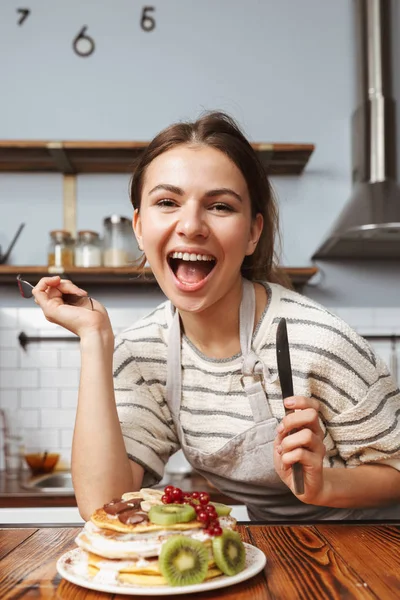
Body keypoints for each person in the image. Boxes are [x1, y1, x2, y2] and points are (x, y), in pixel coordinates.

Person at [32, 111, 400, 522]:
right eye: (167, 202)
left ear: (253, 233)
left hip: (373, 549)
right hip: (275, 550)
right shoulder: (143, 353)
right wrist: (95, 340)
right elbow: (103, 503)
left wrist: (325, 485)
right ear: (139, 226)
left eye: (220, 206)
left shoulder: (318, 341)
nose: (191, 225)